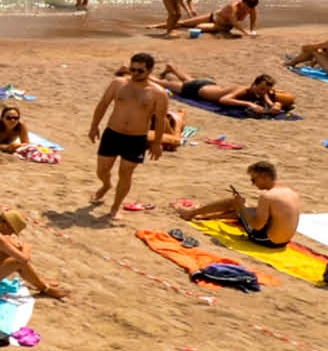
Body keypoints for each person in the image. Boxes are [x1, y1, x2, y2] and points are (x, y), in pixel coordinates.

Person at [89, 52, 170, 212]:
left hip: (136, 138)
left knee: (125, 173)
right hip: (113, 133)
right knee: (102, 170)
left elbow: (161, 120)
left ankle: (115, 207)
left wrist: (157, 143)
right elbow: (103, 104)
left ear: (150, 71)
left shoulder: (158, 93)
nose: (134, 74)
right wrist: (94, 126)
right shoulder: (118, 84)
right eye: (132, 69)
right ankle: (106, 185)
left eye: (140, 71)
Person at [181, 161, 302, 248]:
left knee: (235, 202)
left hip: (267, 241)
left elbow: (257, 226)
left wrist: (241, 206)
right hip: (284, 242)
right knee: (250, 208)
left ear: (264, 177)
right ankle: (207, 216)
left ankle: (190, 213)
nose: (252, 184)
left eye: (253, 180)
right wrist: (245, 208)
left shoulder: (267, 196)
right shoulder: (291, 191)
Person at [158, 68, 294, 117]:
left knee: (189, 80)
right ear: (254, 84)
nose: (263, 92)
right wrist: (249, 104)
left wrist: (276, 106)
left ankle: (172, 69)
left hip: (209, 86)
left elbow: (269, 102)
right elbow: (223, 100)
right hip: (197, 90)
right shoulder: (243, 90)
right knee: (163, 84)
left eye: (266, 90)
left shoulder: (261, 92)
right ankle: (145, 77)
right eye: (261, 89)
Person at [179, 0, 262, 38]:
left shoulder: (252, 7)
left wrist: (252, 31)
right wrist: (245, 32)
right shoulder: (233, 6)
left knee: (198, 27)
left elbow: (252, 19)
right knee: (183, 23)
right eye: (246, 6)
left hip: (222, 26)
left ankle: (221, 31)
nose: (248, 9)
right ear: (243, 2)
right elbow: (234, 21)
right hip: (213, 16)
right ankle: (167, 25)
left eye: (250, 8)